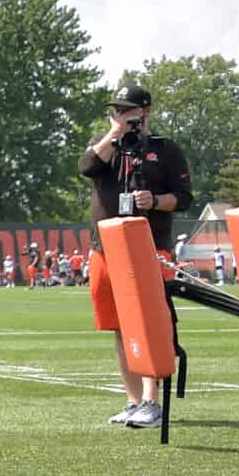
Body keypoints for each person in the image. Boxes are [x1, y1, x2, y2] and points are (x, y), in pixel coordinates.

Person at [79, 82, 192, 429]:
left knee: (146, 322)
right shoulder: (106, 146)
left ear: (144, 112)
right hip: (105, 247)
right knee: (117, 326)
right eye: (117, 110)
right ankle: (131, 400)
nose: (121, 115)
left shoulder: (165, 149)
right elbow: (86, 167)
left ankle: (151, 400)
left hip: (148, 246)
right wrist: (113, 134)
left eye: (127, 110)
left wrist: (155, 201)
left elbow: (184, 197)